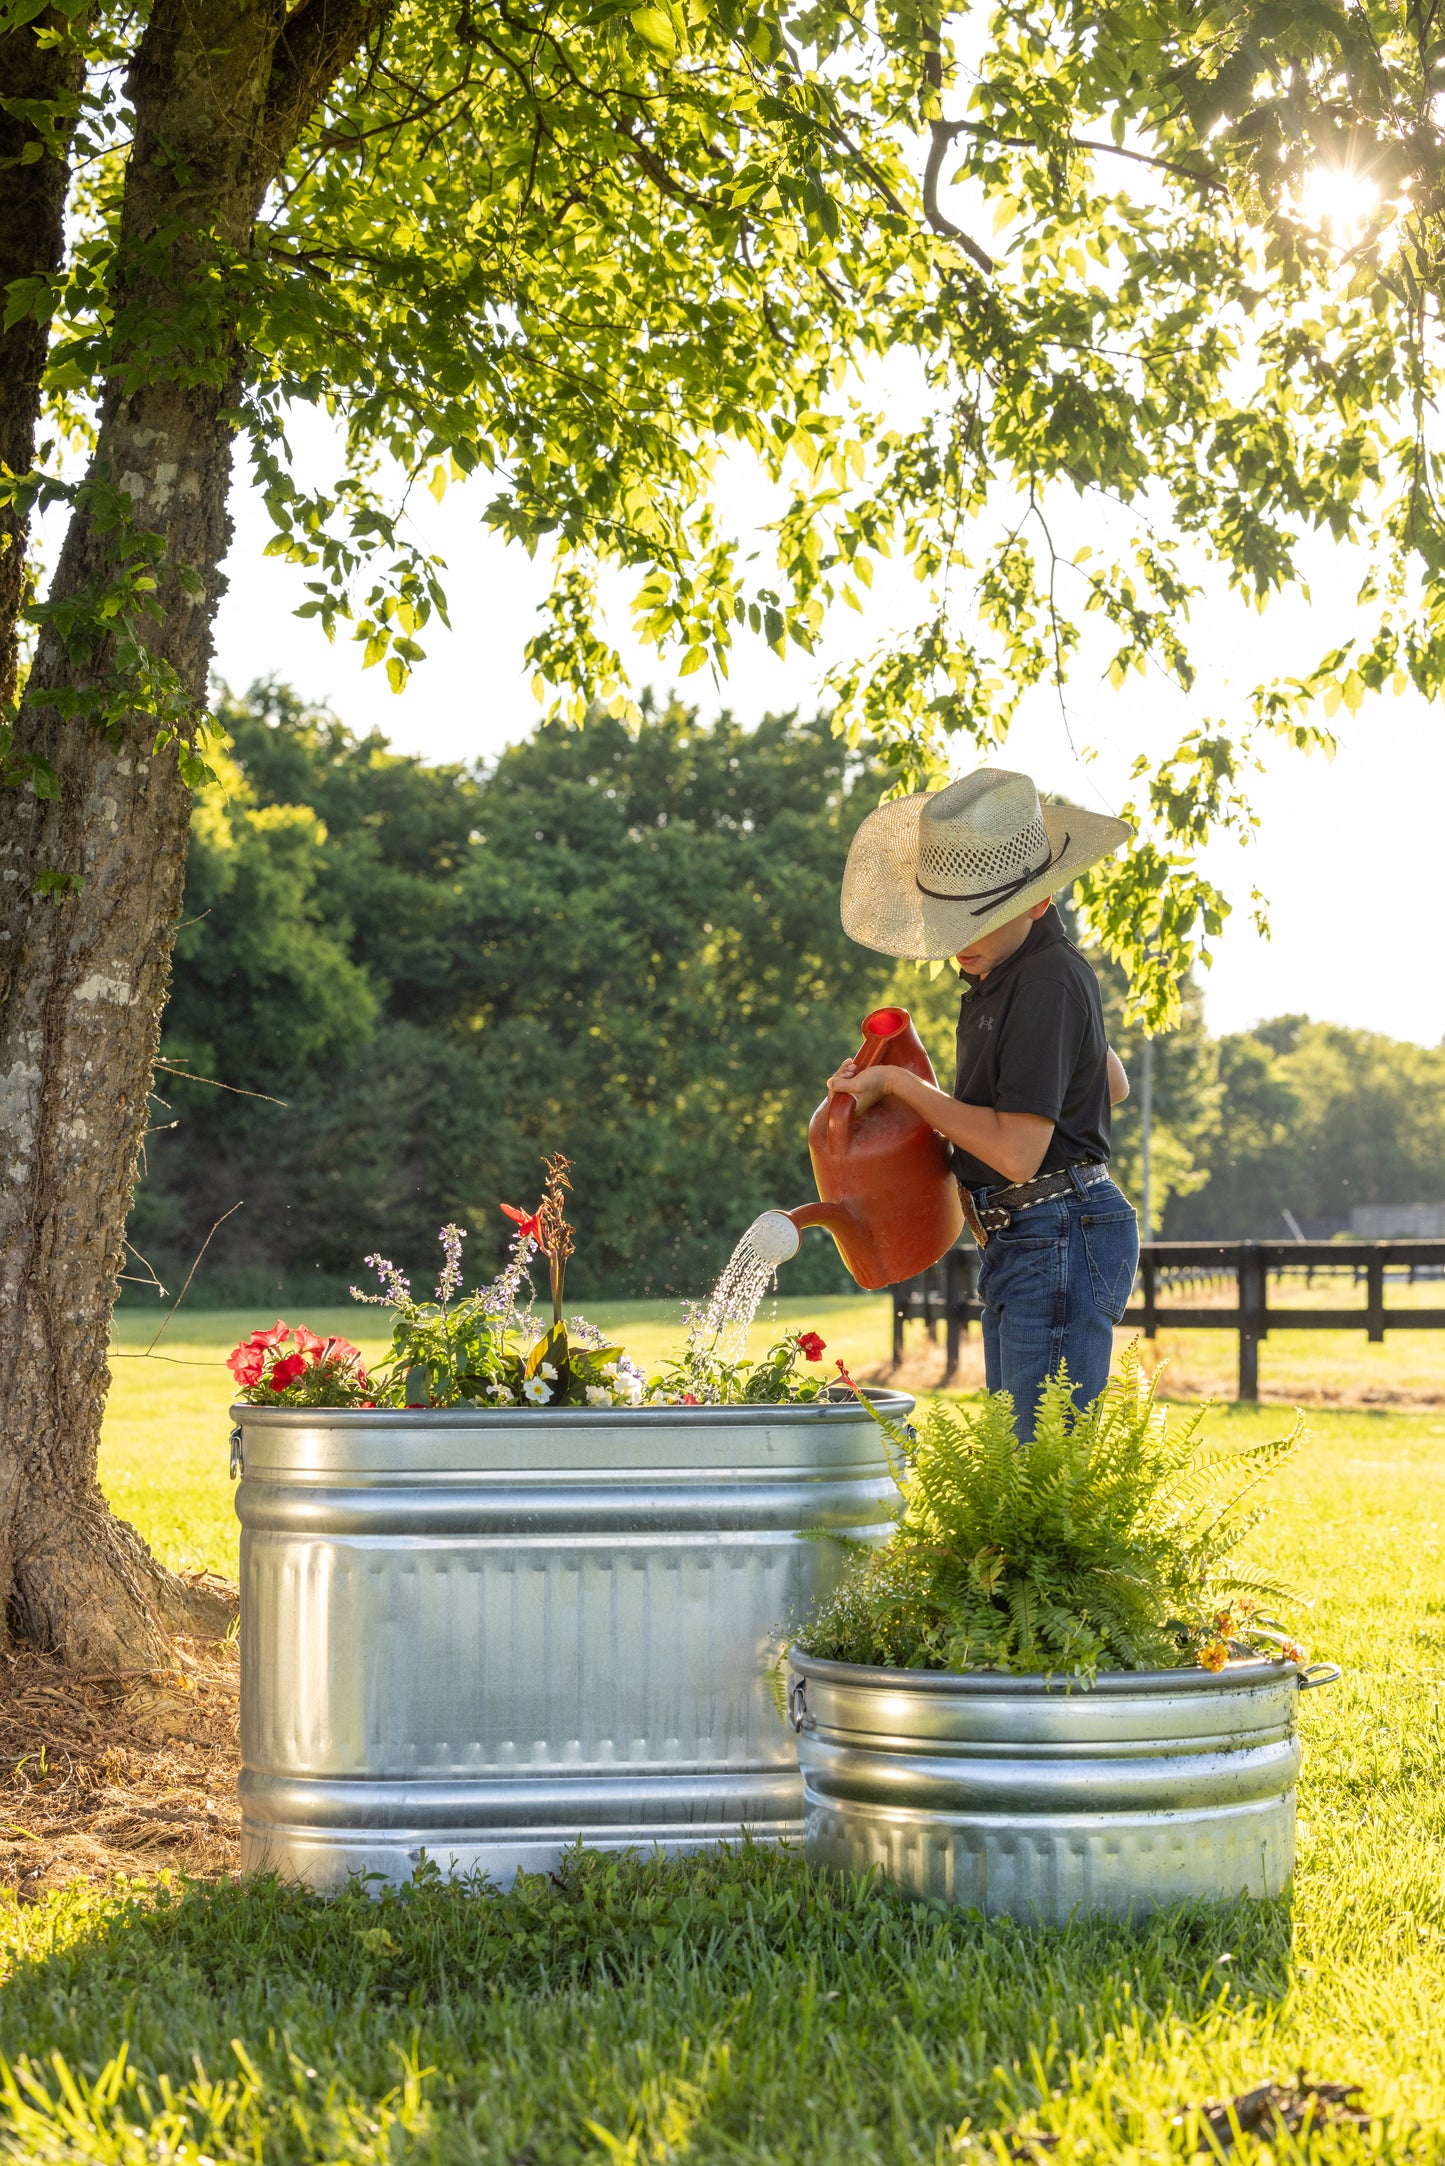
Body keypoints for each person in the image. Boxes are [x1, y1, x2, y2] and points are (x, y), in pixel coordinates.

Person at [829, 765, 1139, 1439]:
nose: (953, 941)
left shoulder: (1047, 980)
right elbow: (1109, 1083)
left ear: (1035, 902)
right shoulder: (1003, 976)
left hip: (1056, 1229)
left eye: (975, 918)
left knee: (1034, 1464)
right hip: (1030, 1236)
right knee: (1021, 1463)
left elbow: (1016, 1152)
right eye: (945, 921)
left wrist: (906, 1089)